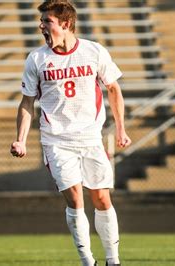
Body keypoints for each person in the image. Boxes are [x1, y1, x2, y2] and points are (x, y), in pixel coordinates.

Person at [10, 1, 131, 265]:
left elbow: (113, 89)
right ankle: (88, 261)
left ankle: (113, 260)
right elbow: (27, 102)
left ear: (65, 24)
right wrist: (20, 139)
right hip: (57, 141)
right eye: (41, 21)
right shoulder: (37, 59)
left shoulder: (93, 51)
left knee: (101, 197)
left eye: (47, 21)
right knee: (75, 196)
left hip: (91, 139)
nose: (41, 25)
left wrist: (121, 129)